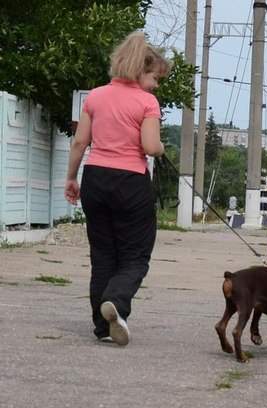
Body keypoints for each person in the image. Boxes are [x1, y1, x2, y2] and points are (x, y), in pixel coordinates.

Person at [64, 31, 169, 346]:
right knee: (136, 255)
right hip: (130, 183)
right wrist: (162, 147)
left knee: (103, 254)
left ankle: (103, 326)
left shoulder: (95, 96)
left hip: (95, 178)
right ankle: (117, 301)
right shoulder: (146, 102)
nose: (156, 85)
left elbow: (80, 141)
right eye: (155, 77)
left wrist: (72, 178)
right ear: (140, 71)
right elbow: (150, 147)